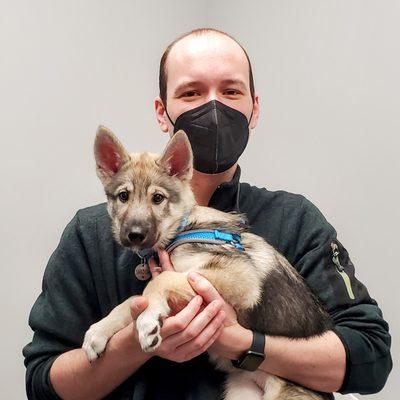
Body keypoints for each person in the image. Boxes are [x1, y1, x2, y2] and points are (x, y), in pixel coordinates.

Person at [23, 28, 392, 400]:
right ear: (162, 112)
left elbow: (370, 357)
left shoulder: (295, 219)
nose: (213, 108)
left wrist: (240, 342)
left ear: (255, 108)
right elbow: (42, 384)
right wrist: (135, 342)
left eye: (231, 91)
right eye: (191, 92)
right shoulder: (88, 234)